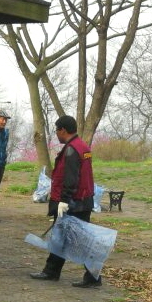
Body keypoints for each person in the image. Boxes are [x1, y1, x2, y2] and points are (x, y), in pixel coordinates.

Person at [30, 115, 98, 288]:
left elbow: (71, 178)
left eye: (57, 130)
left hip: (74, 202)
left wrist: (64, 200)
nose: (56, 134)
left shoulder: (71, 149)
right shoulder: (82, 146)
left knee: (77, 239)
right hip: (84, 200)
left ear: (63, 130)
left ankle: (92, 276)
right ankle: (52, 271)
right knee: (61, 237)